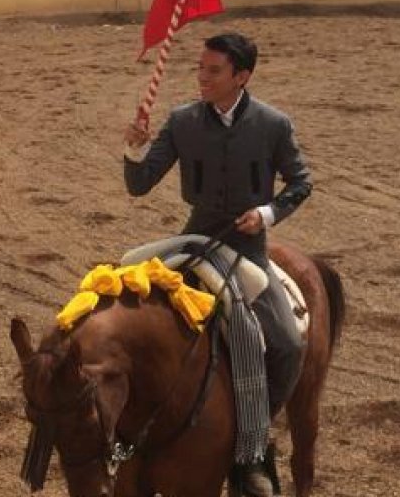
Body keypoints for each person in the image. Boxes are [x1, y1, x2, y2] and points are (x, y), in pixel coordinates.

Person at [123, 32, 311, 497]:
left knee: (286, 344)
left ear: (241, 76)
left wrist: (266, 214)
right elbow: (140, 185)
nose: (202, 78)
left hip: (248, 251)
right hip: (195, 241)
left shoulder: (273, 124)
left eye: (213, 71)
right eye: (200, 69)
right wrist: (134, 149)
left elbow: (300, 183)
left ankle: (253, 443)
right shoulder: (182, 121)